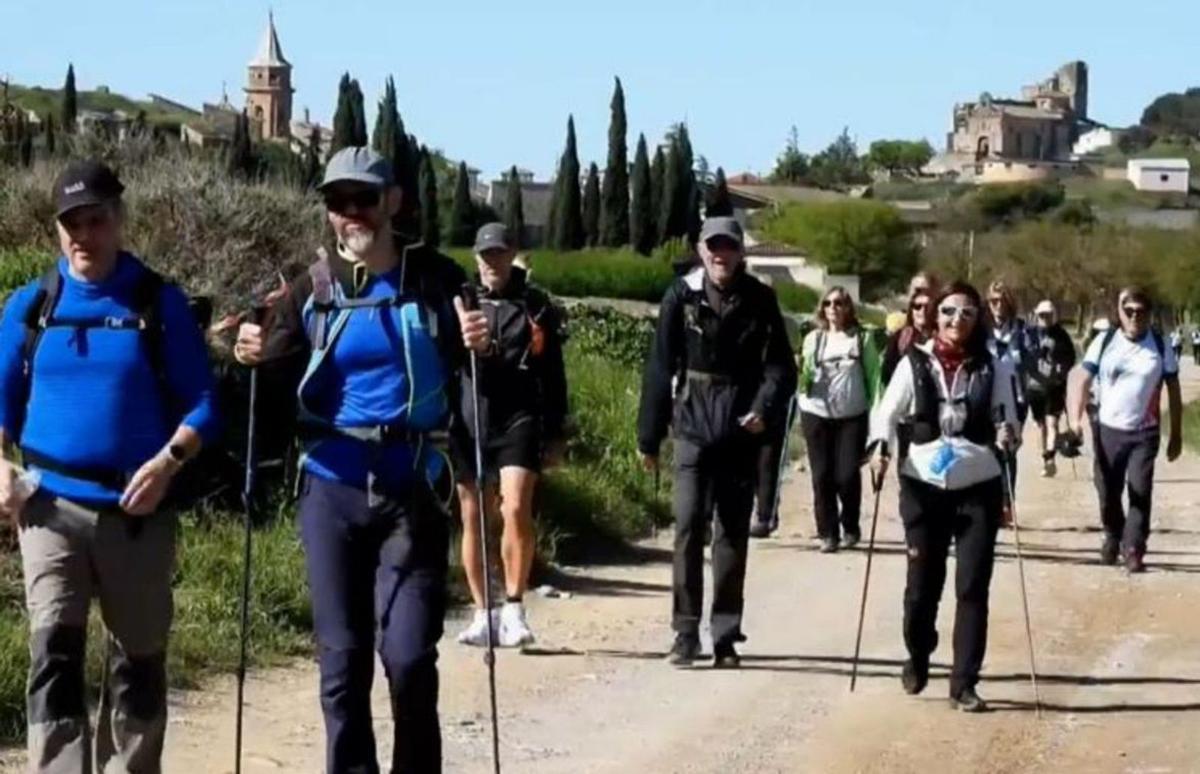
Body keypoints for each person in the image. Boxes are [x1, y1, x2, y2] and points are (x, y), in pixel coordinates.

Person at [234, 147, 490, 773]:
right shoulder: (310, 289)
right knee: (341, 663)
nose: (351, 213)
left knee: (406, 658)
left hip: (412, 489)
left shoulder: (434, 280)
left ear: (392, 203)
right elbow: (267, 370)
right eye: (337, 202)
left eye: (364, 199)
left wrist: (483, 340)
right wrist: (248, 352)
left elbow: (485, 352)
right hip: (330, 488)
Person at [0, 160, 219, 771]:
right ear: (56, 229)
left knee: (138, 663)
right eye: (71, 224)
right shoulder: (30, 306)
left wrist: (168, 463)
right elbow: (0, 405)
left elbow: (203, 404)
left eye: (95, 221)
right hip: (48, 509)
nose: (83, 236)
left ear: (119, 221)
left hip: (136, 513)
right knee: (54, 657)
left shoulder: (158, 302)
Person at [638, 216, 796, 668]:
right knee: (687, 527)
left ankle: (725, 635)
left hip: (739, 428)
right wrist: (648, 436)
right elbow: (660, 365)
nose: (720, 254)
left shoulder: (761, 300)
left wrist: (762, 411)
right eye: (713, 246)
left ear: (741, 252)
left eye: (728, 246)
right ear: (701, 249)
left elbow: (781, 369)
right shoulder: (680, 295)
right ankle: (685, 632)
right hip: (691, 424)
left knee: (730, 534)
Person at [868, 280, 1019, 713]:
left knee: (972, 586)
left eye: (968, 313)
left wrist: (1008, 434)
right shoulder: (914, 362)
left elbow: (1006, 417)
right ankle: (918, 652)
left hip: (978, 482)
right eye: (950, 312)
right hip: (923, 483)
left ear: (979, 320)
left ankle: (964, 682)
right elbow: (887, 413)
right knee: (922, 586)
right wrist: (880, 448)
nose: (958, 320)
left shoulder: (996, 367)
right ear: (935, 316)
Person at [453, 223, 568, 649]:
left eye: (499, 254)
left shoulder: (537, 305)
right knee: (473, 516)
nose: (491, 263)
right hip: (470, 417)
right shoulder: (461, 302)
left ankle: (515, 608)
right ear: (475, 258)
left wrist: (556, 431)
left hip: (520, 416)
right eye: (485, 255)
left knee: (516, 506)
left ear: (512, 255)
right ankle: (484, 612)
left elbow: (554, 374)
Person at [1065, 287, 1181, 573]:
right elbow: (1081, 380)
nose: (1134, 317)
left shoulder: (1160, 344)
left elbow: (1174, 389)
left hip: (1145, 431)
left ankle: (1134, 547)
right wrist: (1075, 422)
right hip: (1108, 430)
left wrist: (1176, 432)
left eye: (1140, 311)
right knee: (1108, 490)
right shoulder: (1105, 342)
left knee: (1140, 489)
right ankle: (1113, 534)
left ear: (1149, 314)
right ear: (1119, 311)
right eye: (1128, 310)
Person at [797, 287, 883, 552]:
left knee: (846, 475)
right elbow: (805, 376)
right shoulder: (814, 339)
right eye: (828, 303)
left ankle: (850, 525)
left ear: (849, 308)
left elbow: (874, 378)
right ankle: (827, 533)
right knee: (821, 476)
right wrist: (801, 376)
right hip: (816, 413)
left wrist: (878, 417)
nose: (833, 308)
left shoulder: (862, 339)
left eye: (839, 303)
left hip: (852, 417)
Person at [1026, 300, 1076, 478]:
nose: (1045, 318)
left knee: (1052, 423)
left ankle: (1050, 459)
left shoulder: (1061, 335)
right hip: (1034, 388)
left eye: (1048, 315)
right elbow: (1026, 359)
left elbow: (1070, 358)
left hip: (1054, 387)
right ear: (1036, 315)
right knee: (1041, 426)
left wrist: (1061, 372)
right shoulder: (1030, 334)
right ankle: (1046, 456)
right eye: (1042, 315)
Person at [882, 286, 936, 386]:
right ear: (911, 310)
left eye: (928, 306)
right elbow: (887, 371)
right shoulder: (899, 337)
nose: (922, 310)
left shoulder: (941, 338)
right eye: (917, 306)